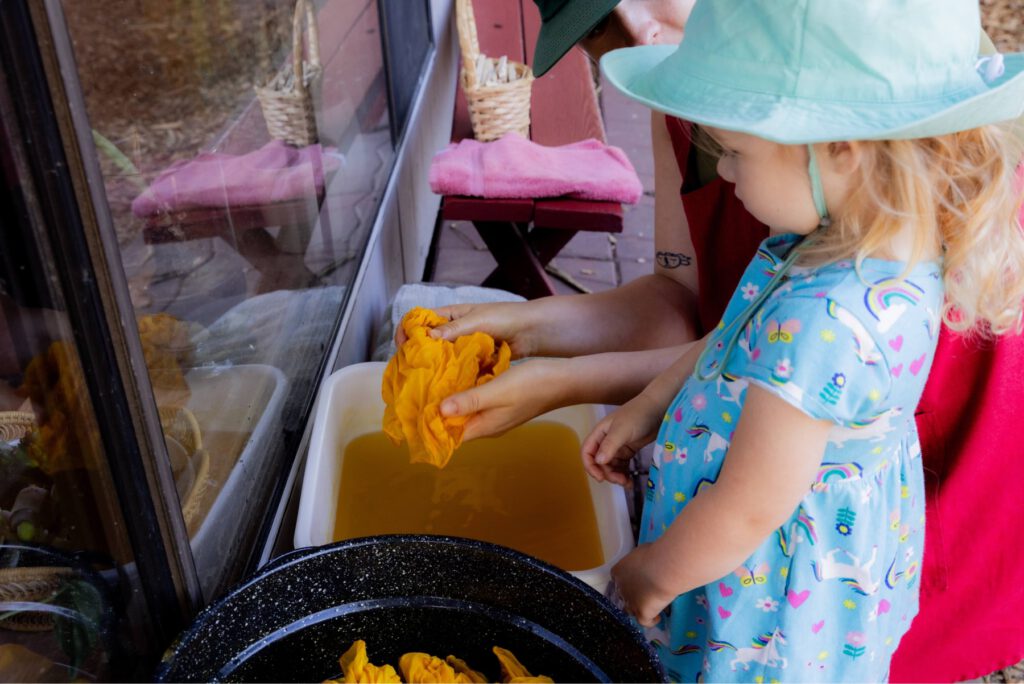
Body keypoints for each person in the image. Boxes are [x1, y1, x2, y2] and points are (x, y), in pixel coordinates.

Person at [419, 1, 1024, 680]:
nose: (727, 170)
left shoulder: (829, 322)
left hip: (763, 611)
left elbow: (749, 506)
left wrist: (651, 575)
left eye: (736, 152)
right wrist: (651, 401)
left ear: (840, 150)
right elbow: (734, 332)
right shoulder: (838, 240)